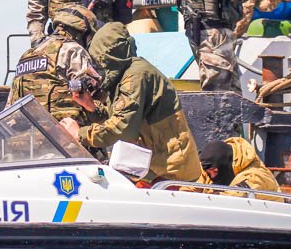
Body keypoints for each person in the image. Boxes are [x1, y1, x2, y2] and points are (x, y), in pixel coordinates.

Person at [59, 22, 205, 184]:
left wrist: (80, 134)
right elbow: (123, 115)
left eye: (99, 63)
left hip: (171, 170)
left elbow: (123, 127)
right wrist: (91, 107)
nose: (97, 70)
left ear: (110, 57)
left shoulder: (136, 75)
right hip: (154, 167)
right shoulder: (126, 74)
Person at [7, 4, 103, 123]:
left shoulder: (26, 55)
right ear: (83, 31)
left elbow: (10, 106)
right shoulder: (72, 49)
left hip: (28, 132)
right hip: (63, 131)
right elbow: (91, 95)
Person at [198, 137, 282, 201]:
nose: (212, 176)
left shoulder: (256, 176)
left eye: (215, 171)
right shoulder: (211, 167)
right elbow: (194, 186)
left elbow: (234, 198)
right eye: (209, 173)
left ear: (226, 164)